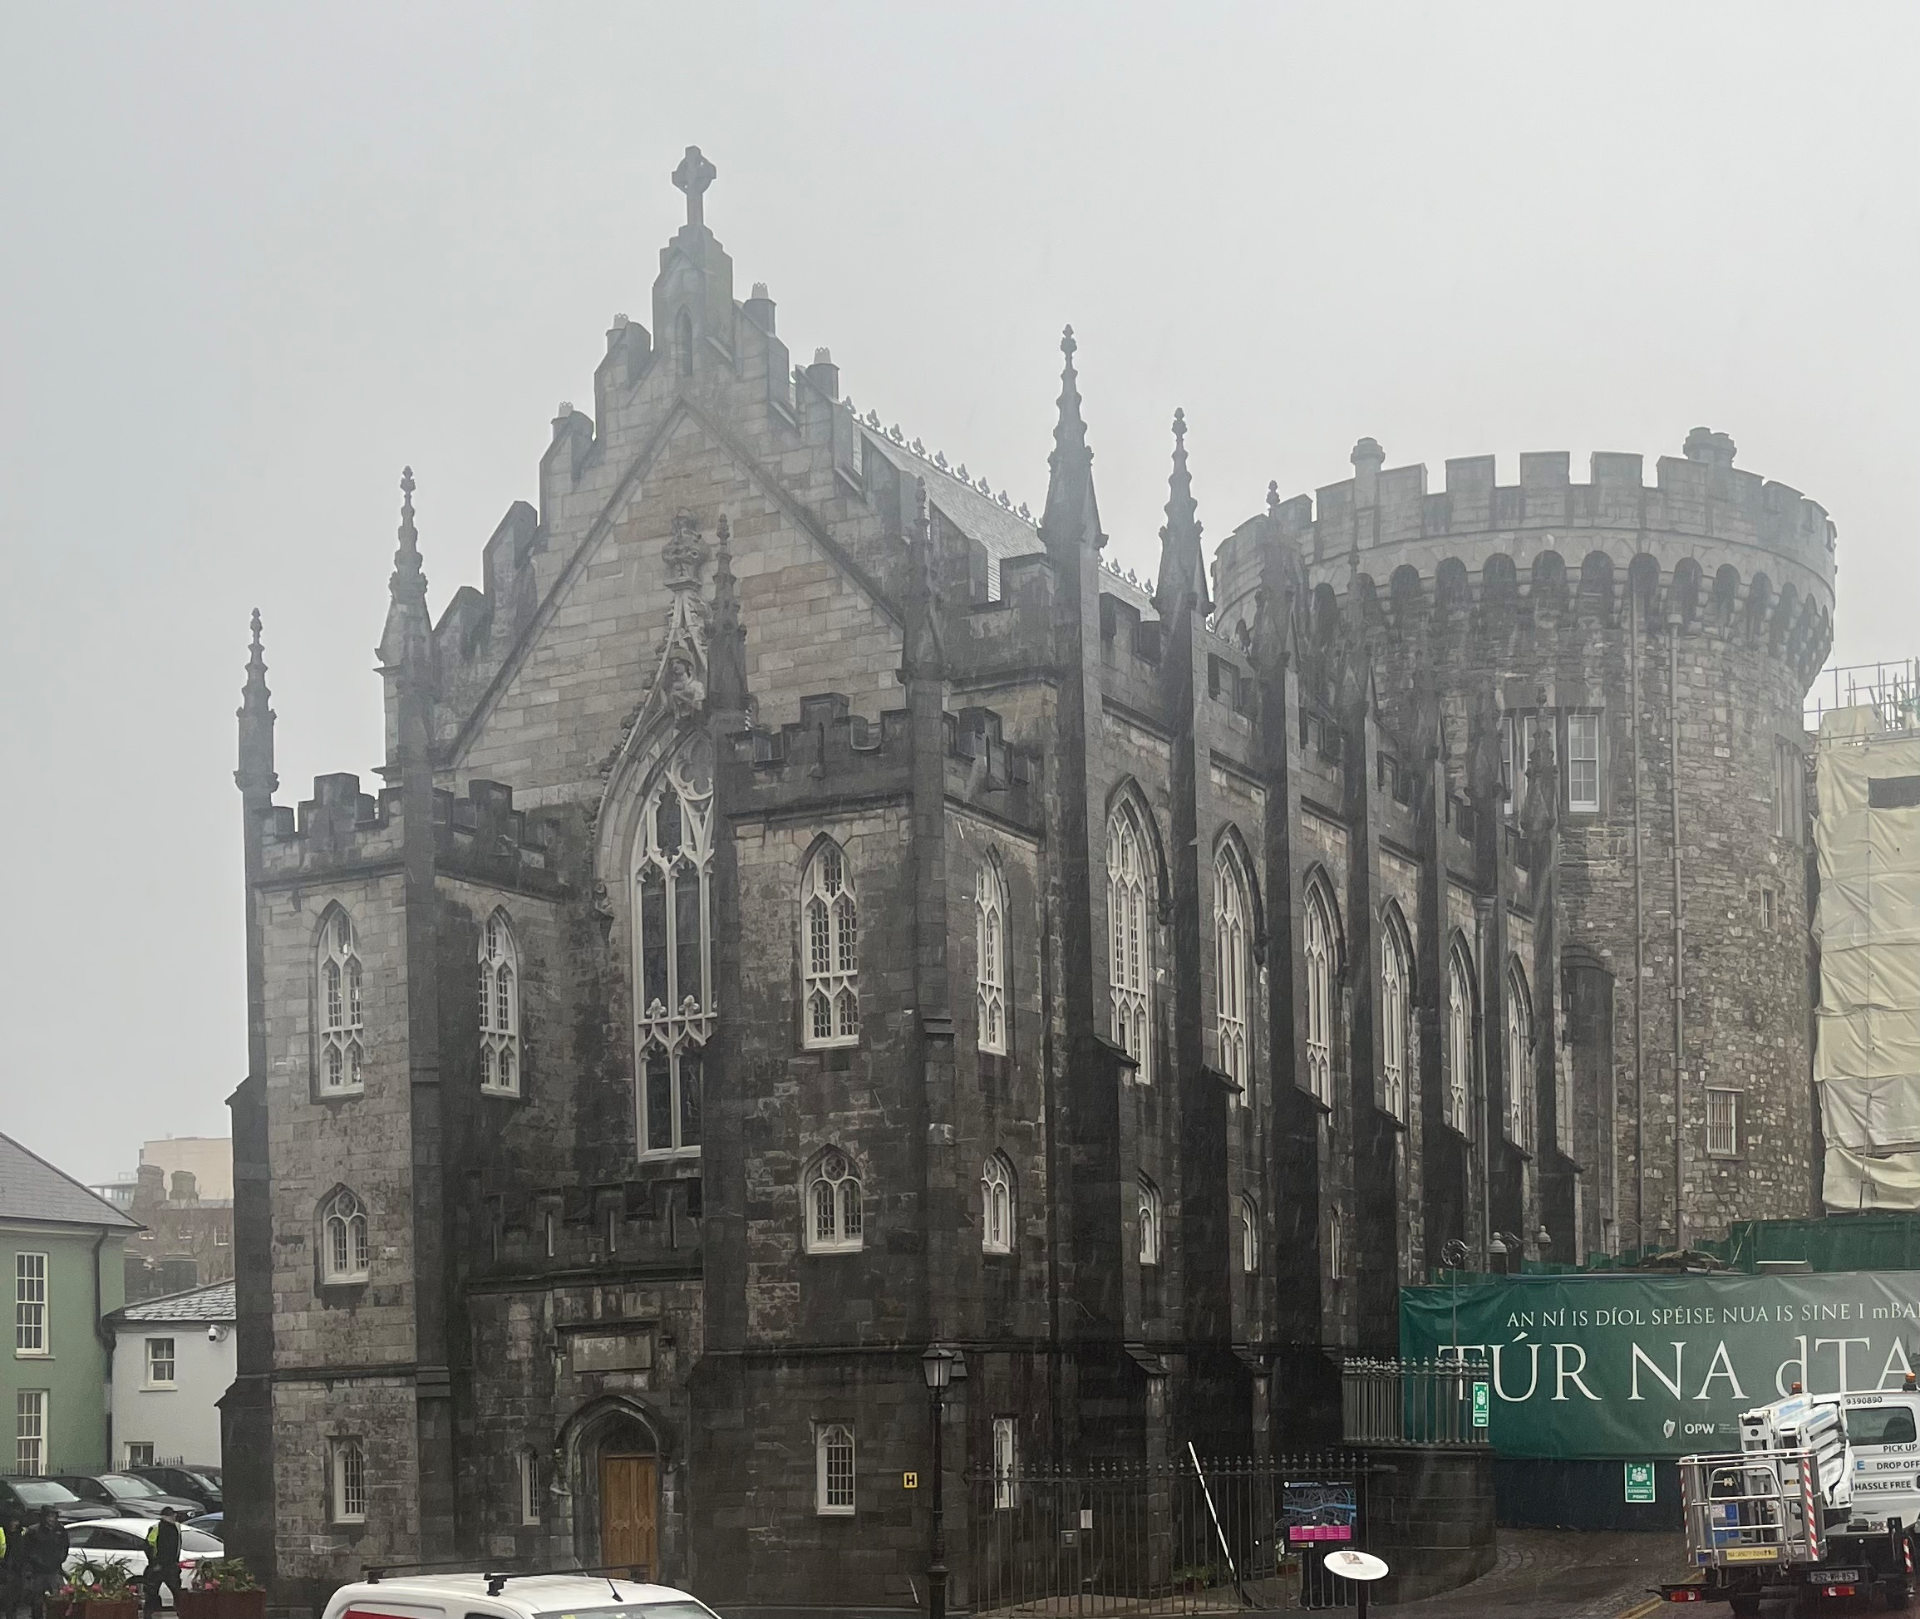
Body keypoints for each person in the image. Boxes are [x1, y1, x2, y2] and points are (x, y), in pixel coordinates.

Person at [20, 1510, 67, 1619]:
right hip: (37, 1571)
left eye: (53, 1516)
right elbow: (27, 1551)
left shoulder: (60, 1530)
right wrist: (38, 1563)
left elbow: (64, 1547)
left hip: (54, 1570)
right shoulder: (33, 1531)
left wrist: (59, 1560)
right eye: (49, 1516)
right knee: (37, 1601)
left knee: (57, 1600)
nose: (51, 1519)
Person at [142, 1511, 182, 1616]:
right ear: (165, 1516)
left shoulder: (176, 1528)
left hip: (169, 1566)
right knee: (153, 1592)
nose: (174, 1517)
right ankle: (148, 1614)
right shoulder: (157, 1528)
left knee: (177, 1593)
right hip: (159, 1566)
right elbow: (149, 1546)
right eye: (172, 1515)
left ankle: (182, 1613)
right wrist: (154, 1562)